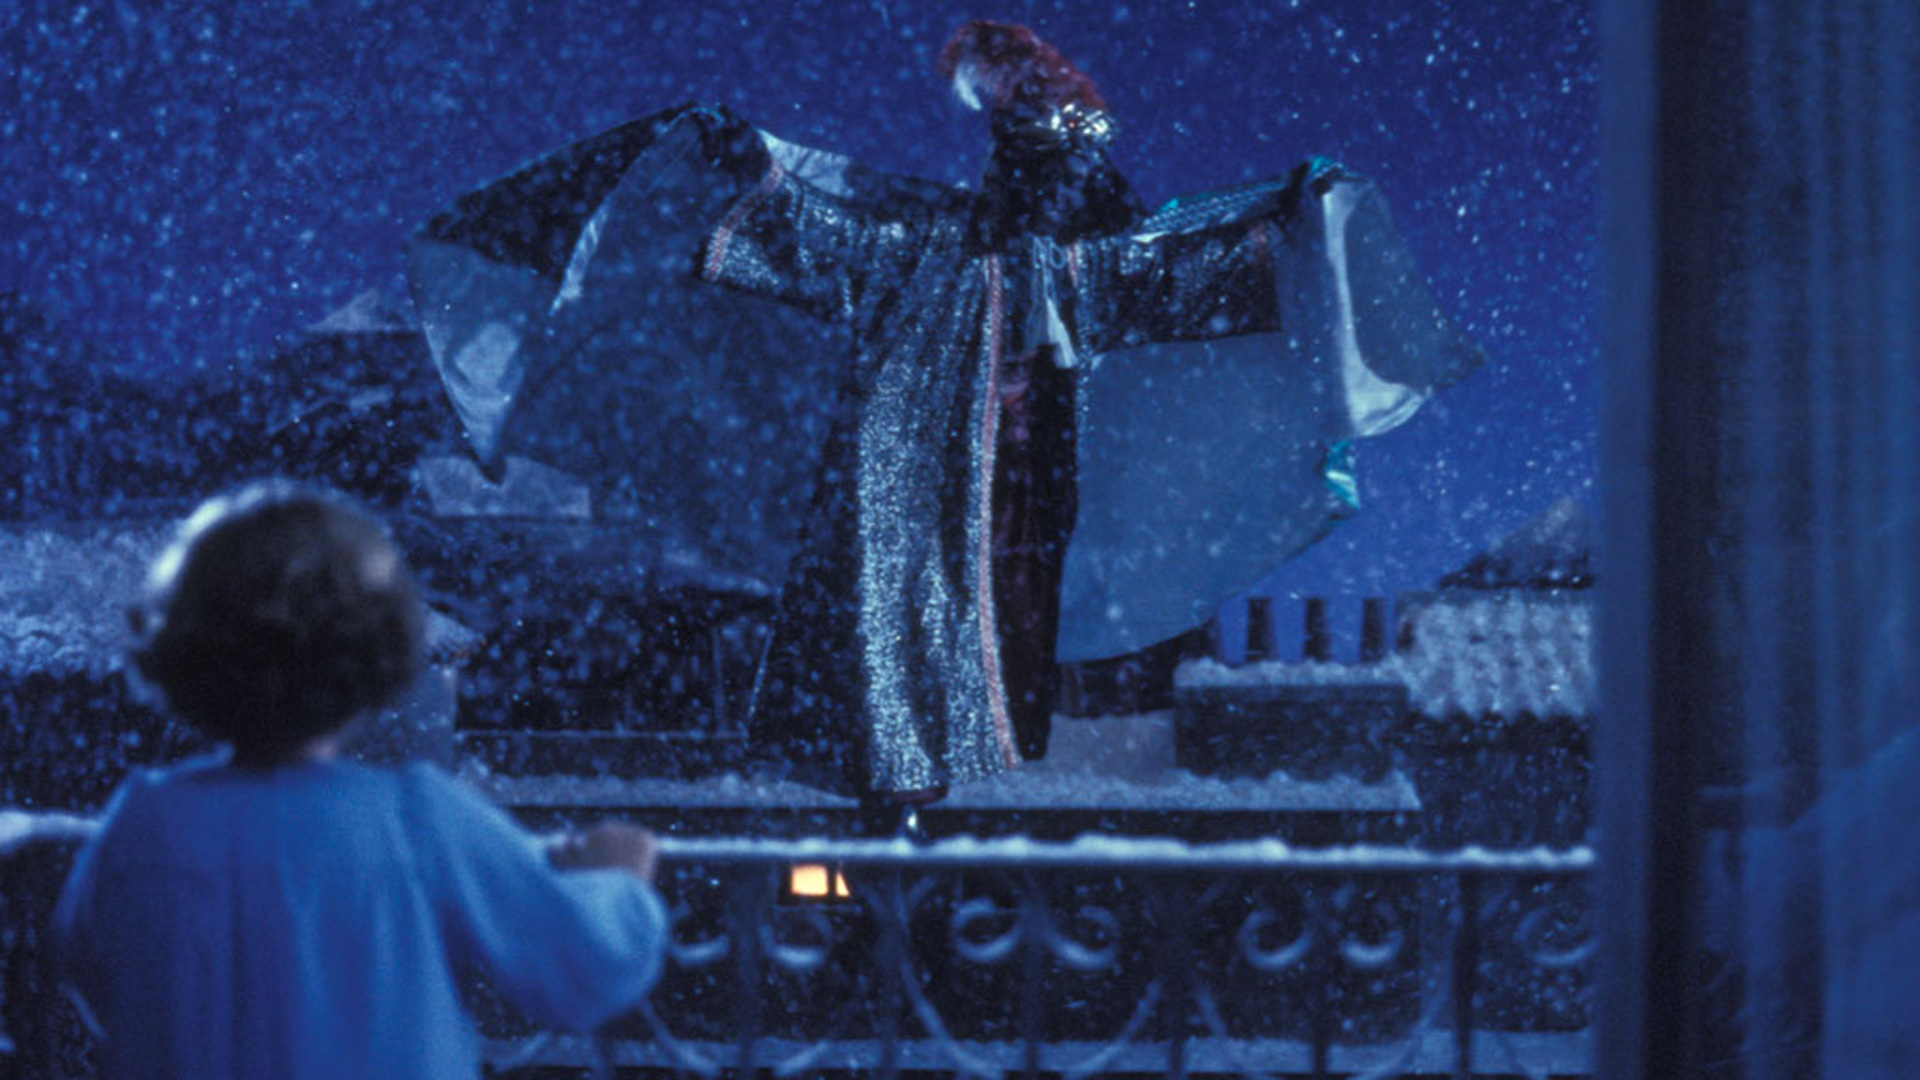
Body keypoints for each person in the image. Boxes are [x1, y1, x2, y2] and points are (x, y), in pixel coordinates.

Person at [407, 22, 1484, 805]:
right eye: (1030, 151)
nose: (1039, 172)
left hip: (1025, 493)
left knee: (989, 646)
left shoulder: (1065, 270)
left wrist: (1292, 216)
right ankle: (920, 792)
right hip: (917, 488)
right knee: (905, 658)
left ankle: (967, 786)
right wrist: (739, 168)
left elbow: (1166, 264)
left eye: (1051, 153)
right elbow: (811, 236)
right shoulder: (924, 256)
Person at [52, 481, 666, 1080]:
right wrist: (618, 885)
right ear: (384, 654)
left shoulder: (145, 823)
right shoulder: (418, 820)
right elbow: (581, 967)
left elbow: (89, 968)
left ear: (176, 654)